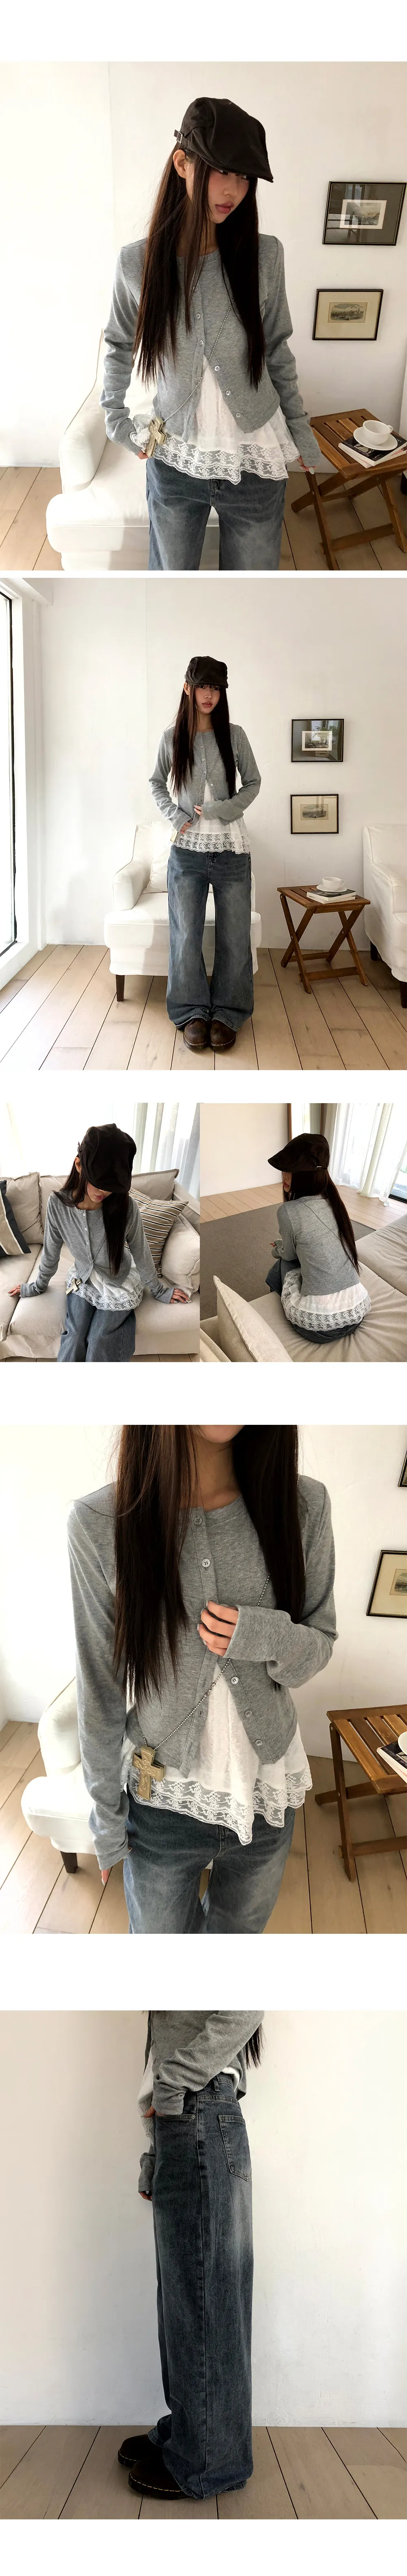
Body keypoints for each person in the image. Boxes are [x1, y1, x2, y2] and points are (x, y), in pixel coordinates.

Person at [67, 1423, 337, 1930]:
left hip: (266, 1795)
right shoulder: (100, 1522)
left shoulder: (304, 1505)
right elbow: (99, 1688)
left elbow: (318, 1645)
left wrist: (264, 1635)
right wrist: (105, 1817)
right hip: (159, 1803)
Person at [101, 94, 321, 571]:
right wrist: (116, 419)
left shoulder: (265, 256)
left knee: (251, 588)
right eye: (222, 170)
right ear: (183, 164)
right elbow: (118, 342)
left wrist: (301, 430)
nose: (233, 190)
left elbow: (277, 349)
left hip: (256, 459)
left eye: (244, 177)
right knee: (172, 582)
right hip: (174, 458)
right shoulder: (137, 264)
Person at [118, 2010, 263, 2502]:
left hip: (197, 2108)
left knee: (204, 2297)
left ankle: (210, 2460)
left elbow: (246, 2007)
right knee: (186, 2300)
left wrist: (173, 2086)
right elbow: (164, 2054)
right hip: (186, 2118)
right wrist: (156, 2153)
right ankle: (191, 2432)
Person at [150, 654, 260, 1051]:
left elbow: (253, 783)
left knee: (234, 936)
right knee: (186, 935)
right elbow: (156, 783)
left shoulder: (235, 735)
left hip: (232, 850)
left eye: (216, 688)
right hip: (187, 852)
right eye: (203, 687)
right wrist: (176, 817)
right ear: (188, 688)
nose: (209, 695)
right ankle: (191, 1011)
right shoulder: (172, 738)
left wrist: (219, 810)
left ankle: (229, 1012)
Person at [9, 1124, 186, 1361]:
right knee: (75, 1336)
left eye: (113, 1186)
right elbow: (50, 1253)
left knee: (99, 1340)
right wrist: (37, 1286)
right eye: (100, 1182)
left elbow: (141, 1252)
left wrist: (159, 1290)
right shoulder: (58, 1205)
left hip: (119, 1281)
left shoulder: (126, 1207)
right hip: (83, 1280)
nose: (105, 1191)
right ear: (79, 1165)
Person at [265, 1133, 371, 1341]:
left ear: (305, 1175)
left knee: (283, 1263)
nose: (283, 1177)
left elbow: (289, 1255)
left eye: (289, 1170)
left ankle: (273, 1293)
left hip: (318, 1328)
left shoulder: (288, 1212)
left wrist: (277, 1249)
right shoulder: (335, 1202)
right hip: (357, 1312)